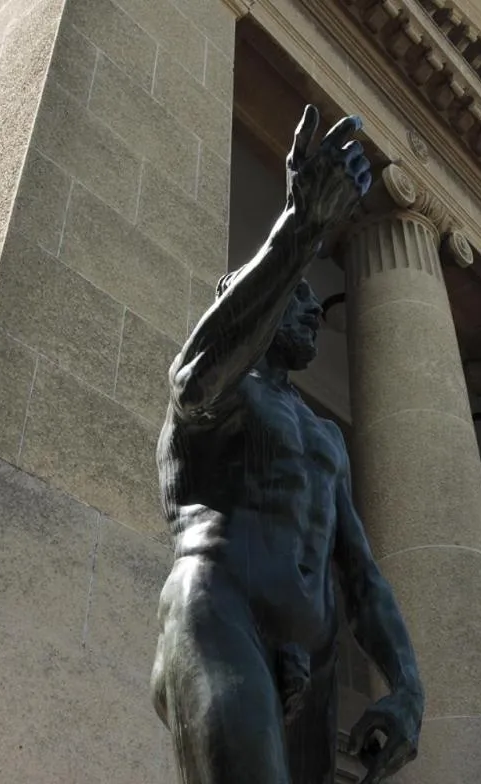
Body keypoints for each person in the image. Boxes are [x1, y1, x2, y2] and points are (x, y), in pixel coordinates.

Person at [150, 105, 425, 784]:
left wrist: (407, 685)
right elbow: (195, 377)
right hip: (220, 620)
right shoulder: (219, 396)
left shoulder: (324, 435)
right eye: (295, 297)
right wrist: (300, 228)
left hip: (312, 660)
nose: (312, 311)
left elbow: (361, 575)